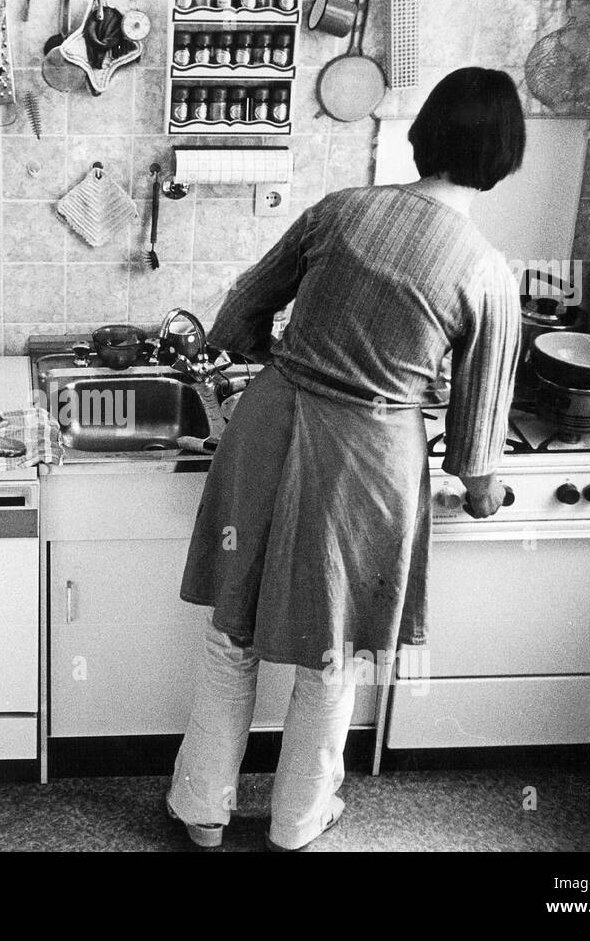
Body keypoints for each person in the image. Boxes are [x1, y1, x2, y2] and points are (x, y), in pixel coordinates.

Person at [166, 67, 526, 851]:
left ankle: (200, 811)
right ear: (506, 160)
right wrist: (481, 489)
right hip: (367, 460)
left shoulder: (341, 211)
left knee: (235, 630)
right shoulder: (488, 272)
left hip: (271, 424)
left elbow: (236, 314)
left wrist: (279, 357)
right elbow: (477, 441)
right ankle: (297, 823)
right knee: (333, 654)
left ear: (420, 133)